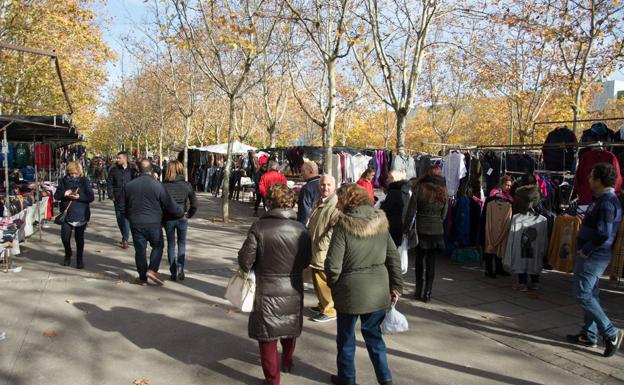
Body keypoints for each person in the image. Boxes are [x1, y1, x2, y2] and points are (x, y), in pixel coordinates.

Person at [325, 183, 403, 385]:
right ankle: (385, 379)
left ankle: (347, 379)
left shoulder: (343, 224)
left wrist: (334, 286)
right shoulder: (380, 221)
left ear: (345, 201)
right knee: (374, 337)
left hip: (350, 292)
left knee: (346, 339)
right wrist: (396, 287)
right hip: (378, 290)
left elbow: (333, 264)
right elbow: (393, 257)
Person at [238, 183, 311, 385]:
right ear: (290, 203)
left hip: (266, 288)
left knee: (267, 337)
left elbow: (245, 260)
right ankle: (287, 361)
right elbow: (307, 260)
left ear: (269, 202)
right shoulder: (301, 230)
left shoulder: (259, 227)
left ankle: (273, 380)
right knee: (289, 325)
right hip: (293, 287)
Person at [567, 163, 623, 358]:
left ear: (599, 181)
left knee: (582, 294)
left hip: (593, 256)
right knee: (592, 293)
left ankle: (610, 332)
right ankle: (589, 334)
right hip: (592, 255)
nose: (588, 180)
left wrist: (587, 250)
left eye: (591, 177)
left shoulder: (606, 202)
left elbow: (604, 233)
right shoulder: (601, 199)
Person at [121, 159, 183, 286]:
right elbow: (169, 204)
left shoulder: (129, 185)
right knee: (158, 245)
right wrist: (180, 213)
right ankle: (152, 269)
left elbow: (122, 207)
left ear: (138, 170)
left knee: (140, 250)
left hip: (136, 223)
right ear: (151, 170)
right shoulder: (157, 185)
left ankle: (142, 277)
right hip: (154, 222)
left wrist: (130, 218)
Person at [404, 165, 448, 302]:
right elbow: (444, 213)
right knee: (431, 262)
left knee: (419, 261)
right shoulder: (443, 190)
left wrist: (406, 229)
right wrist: (438, 221)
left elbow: (411, 211)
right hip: (436, 229)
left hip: (421, 228)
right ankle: (428, 293)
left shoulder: (419, 188)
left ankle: (418, 290)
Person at [307, 175, 340, 323]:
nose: (325, 188)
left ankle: (330, 309)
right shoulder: (320, 201)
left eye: (328, 185)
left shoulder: (335, 204)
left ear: (334, 186)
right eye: (322, 185)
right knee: (316, 277)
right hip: (315, 246)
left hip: (323, 249)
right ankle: (322, 304)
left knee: (323, 279)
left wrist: (322, 245)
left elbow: (334, 229)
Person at [54, 161, 94, 269]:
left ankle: (79, 258)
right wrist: (64, 194)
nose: (73, 175)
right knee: (65, 237)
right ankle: (68, 253)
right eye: (71, 173)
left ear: (79, 172)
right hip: (67, 214)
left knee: (79, 238)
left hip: (80, 214)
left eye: (75, 173)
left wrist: (79, 197)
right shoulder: (62, 181)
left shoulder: (84, 181)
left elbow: (90, 197)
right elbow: (56, 196)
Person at [163, 160, 198, 281]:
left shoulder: (164, 185)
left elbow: (160, 204)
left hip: (168, 218)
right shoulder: (187, 185)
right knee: (182, 243)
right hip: (182, 217)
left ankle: (173, 271)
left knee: (171, 244)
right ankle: (180, 268)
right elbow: (195, 204)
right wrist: (189, 215)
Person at [107, 151, 137, 249]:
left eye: (119, 158)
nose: (117, 159)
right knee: (119, 219)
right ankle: (125, 235)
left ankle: (125, 239)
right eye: (117, 158)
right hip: (117, 198)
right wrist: (111, 195)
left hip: (130, 198)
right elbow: (110, 184)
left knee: (127, 219)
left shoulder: (132, 170)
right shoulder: (113, 170)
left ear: (125, 158)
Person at [380, 170, 411, 247]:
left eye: (389, 178)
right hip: (402, 225)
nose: (387, 180)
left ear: (394, 179)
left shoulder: (393, 192)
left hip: (392, 226)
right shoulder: (407, 191)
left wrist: (382, 204)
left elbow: (384, 209)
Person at [297, 161, 321, 225]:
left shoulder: (306, 188)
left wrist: (301, 226)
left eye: (303, 171)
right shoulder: (324, 183)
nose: (301, 173)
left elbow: (304, 211)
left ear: (311, 171)